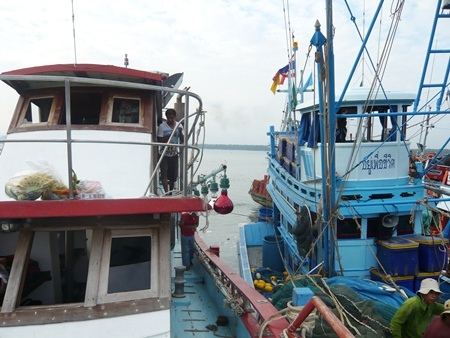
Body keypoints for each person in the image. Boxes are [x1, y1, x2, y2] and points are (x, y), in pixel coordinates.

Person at [157, 109, 184, 193]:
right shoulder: (162, 126)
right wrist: (168, 136)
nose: (170, 120)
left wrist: (180, 132)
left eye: (172, 118)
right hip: (163, 153)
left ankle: (171, 191)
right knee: (164, 173)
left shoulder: (179, 126)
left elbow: (183, 140)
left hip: (174, 154)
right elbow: (159, 139)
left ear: (175, 117)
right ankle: (166, 192)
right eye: (168, 118)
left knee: (173, 175)